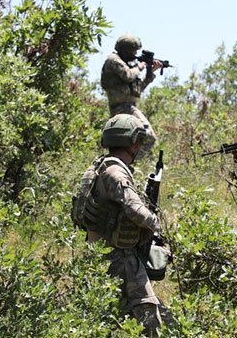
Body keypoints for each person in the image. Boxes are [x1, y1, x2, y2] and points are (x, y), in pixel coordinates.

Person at [84, 113, 163, 336]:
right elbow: (135, 210)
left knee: (114, 316)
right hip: (121, 257)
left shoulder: (101, 167)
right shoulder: (116, 173)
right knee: (148, 316)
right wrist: (157, 225)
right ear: (134, 143)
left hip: (101, 253)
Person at [100, 34, 163, 154]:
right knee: (148, 136)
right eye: (133, 51)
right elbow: (128, 76)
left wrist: (151, 72)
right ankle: (130, 162)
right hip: (122, 107)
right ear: (126, 50)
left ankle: (128, 162)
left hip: (128, 107)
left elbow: (137, 91)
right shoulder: (113, 60)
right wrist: (142, 65)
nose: (135, 54)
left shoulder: (128, 65)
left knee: (133, 140)